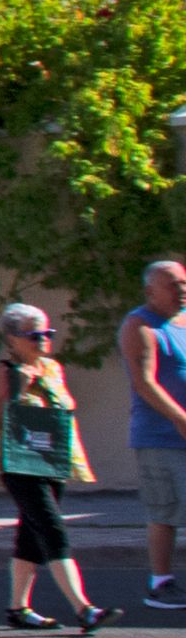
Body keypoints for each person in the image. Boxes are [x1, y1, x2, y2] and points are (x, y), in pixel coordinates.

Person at [0, 304, 104, 630]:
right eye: (33, 335)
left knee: (31, 535)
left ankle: (18, 609)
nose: (43, 340)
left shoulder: (52, 368)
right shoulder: (1, 372)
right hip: (19, 463)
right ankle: (84, 608)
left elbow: (66, 408)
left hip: (51, 460)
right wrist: (17, 389)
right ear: (12, 339)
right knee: (52, 529)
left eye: (47, 334)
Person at [132, 260, 186, 618]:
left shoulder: (183, 323)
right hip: (160, 436)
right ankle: (160, 582)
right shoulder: (140, 325)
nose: (181, 289)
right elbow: (144, 381)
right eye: (172, 284)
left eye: (183, 283)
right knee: (165, 510)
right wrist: (180, 418)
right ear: (151, 291)